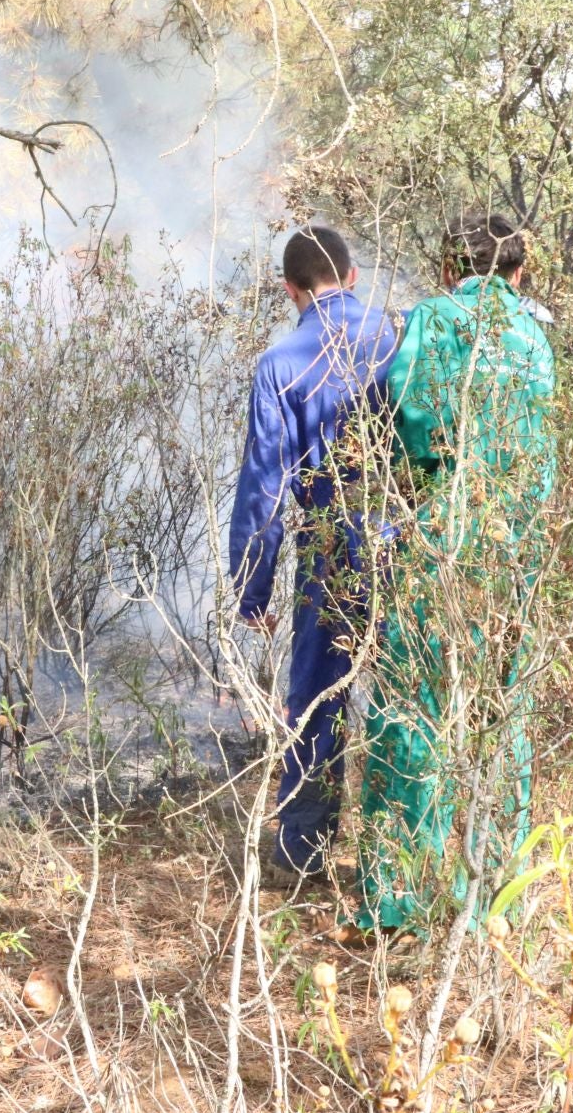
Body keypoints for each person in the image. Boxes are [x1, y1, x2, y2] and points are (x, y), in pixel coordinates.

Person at [354, 209, 556, 933]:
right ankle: (497, 900)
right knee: (505, 714)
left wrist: (423, 482)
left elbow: (407, 420)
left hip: (443, 537)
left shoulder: (433, 319)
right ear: (520, 269)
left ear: (448, 266)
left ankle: (403, 905)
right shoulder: (535, 333)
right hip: (517, 551)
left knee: (414, 712)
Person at [228, 225, 402, 880]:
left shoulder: (280, 364)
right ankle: (396, 862)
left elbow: (264, 490)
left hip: (329, 543)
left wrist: (252, 587)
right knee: (402, 694)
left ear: (289, 290)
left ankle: (305, 855)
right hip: (402, 536)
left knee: (317, 697)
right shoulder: (398, 338)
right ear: (353, 276)